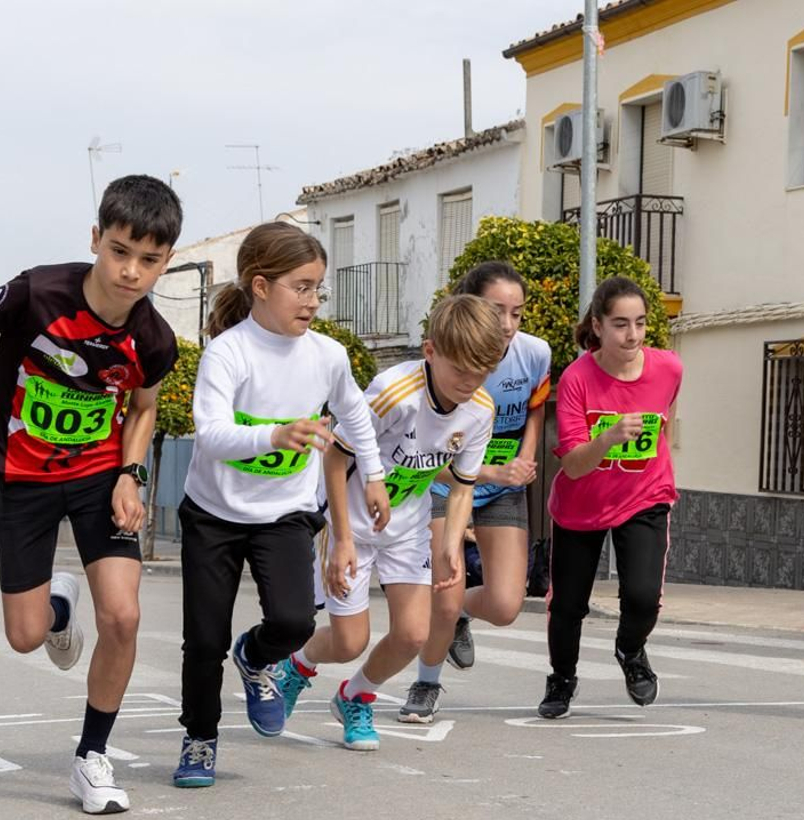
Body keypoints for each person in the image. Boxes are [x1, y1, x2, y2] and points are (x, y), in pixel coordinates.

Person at [0, 175, 181, 815]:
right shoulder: (35, 291)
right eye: (121, 251)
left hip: (98, 476)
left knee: (124, 616)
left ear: (167, 262)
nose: (132, 271)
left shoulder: (154, 340)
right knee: (24, 637)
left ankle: (91, 757)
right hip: (23, 477)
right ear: (97, 239)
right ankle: (57, 606)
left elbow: (143, 408)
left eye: (149, 260)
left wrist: (131, 475)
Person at [173, 221, 390, 787]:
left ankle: (256, 655)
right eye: (302, 287)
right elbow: (212, 434)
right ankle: (199, 739)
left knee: (295, 620)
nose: (313, 301)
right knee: (203, 640)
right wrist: (274, 436)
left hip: (285, 513)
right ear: (261, 286)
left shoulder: (327, 355)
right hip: (213, 514)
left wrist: (374, 474)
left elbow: (355, 414)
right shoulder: (227, 353)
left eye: (319, 288)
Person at [277, 295, 503, 749]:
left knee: (413, 633)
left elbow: (462, 485)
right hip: (352, 523)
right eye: (461, 370)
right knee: (348, 641)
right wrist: (340, 537)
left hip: (407, 525)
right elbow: (336, 461)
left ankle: (356, 695)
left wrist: (450, 545)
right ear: (431, 350)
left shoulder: (480, 408)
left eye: (482, 372)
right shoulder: (392, 392)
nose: (470, 383)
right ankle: (296, 666)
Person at [400, 262, 552, 725]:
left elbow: (535, 413)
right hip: (445, 476)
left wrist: (522, 464)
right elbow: (424, 444)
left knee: (506, 605)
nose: (507, 325)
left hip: (501, 481)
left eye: (517, 314)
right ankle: (425, 683)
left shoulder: (536, 354)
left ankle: (459, 614)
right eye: (496, 311)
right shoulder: (447, 356)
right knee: (445, 593)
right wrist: (483, 473)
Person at [538, 276, 682, 719]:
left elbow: (666, 424)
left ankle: (630, 649)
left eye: (640, 323)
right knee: (568, 605)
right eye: (621, 324)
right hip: (583, 503)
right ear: (598, 326)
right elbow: (575, 465)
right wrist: (610, 437)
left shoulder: (670, 368)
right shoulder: (578, 378)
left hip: (646, 495)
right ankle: (562, 678)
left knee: (642, 596)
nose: (633, 335)